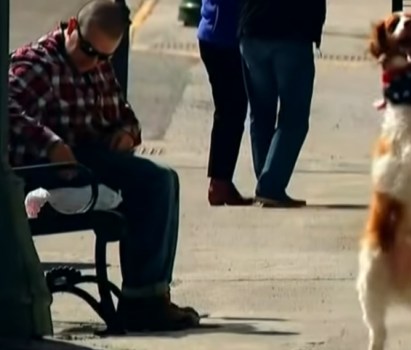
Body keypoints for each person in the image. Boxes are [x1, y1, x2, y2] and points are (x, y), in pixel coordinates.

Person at [8, 0, 200, 331]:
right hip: (42, 169)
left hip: (88, 160)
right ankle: (144, 301)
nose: (92, 61)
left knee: (162, 180)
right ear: (71, 27)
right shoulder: (35, 63)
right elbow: (7, 109)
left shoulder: (97, 66)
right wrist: (50, 144)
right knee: (153, 183)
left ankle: (149, 295)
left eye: (103, 56)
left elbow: (125, 117)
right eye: (86, 50)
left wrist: (127, 134)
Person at [238, 0, 326, 208]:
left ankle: (266, 178)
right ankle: (270, 185)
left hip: (252, 30)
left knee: (260, 113)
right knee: (294, 118)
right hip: (292, 33)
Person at [197, 0, 253, 206]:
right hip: (223, 37)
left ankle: (221, 181)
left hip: (215, 33)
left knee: (230, 109)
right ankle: (220, 183)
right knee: (231, 110)